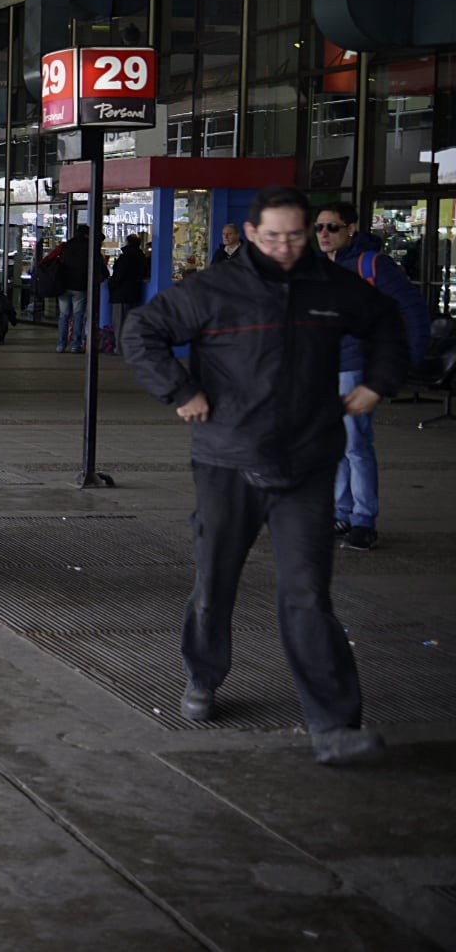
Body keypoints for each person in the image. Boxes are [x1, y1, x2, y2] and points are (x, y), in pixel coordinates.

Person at [120, 186, 408, 766]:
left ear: (310, 233)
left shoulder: (331, 288)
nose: (284, 247)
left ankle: (334, 725)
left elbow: (388, 324)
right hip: (227, 459)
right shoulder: (212, 290)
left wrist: (378, 382)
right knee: (215, 582)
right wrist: (182, 391)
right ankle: (203, 676)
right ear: (250, 233)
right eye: (272, 236)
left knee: (307, 594)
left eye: (296, 236)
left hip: (307, 461)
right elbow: (140, 332)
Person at [313, 201, 432, 551]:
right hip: (326, 368)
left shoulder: (373, 264)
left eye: (332, 227)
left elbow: (412, 312)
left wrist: (401, 364)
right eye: (319, 227)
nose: (324, 234)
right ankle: (343, 512)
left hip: (355, 367)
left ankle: (364, 520)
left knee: (355, 445)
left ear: (351, 228)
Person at [56, 224, 108, 353]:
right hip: (80, 286)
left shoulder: (67, 245)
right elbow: (100, 267)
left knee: (64, 316)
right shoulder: (90, 248)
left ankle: (61, 345)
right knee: (78, 316)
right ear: (87, 234)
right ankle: (75, 345)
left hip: (63, 286)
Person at [106, 233, 150, 349]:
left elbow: (119, 275)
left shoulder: (125, 257)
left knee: (119, 323)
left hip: (121, 294)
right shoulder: (141, 256)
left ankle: (120, 347)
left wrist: (111, 285)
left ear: (127, 242)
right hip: (134, 293)